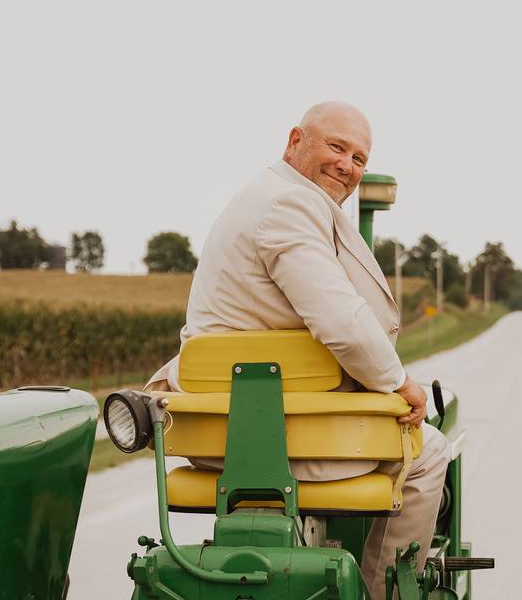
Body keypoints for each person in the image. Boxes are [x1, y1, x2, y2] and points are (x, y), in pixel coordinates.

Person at [147, 101, 449, 598]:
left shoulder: (264, 197)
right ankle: (385, 592)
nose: (347, 166)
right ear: (294, 141)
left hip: (225, 423)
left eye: (359, 159)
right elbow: (344, 324)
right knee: (429, 449)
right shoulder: (289, 203)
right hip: (267, 437)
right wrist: (401, 384)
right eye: (336, 147)